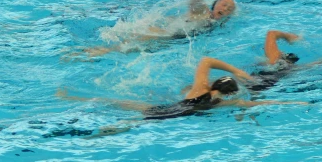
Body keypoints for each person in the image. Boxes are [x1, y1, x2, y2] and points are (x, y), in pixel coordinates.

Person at [57, 53, 306, 123]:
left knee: (115, 103)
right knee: (125, 125)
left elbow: (206, 60)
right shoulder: (225, 103)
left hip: (168, 108)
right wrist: (294, 103)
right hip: (176, 117)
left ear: (213, 85)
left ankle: (69, 97)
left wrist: (235, 70)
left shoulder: (201, 90)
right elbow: (261, 103)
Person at [79, 0, 240, 57]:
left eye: (229, 8)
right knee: (128, 44)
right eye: (224, 4)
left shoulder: (216, 26)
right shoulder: (202, 12)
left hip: (171, 39)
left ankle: (95, 51)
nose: (225, 8)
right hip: (164, 33)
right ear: (215, 4)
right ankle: (96, 50)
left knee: (131, 49)